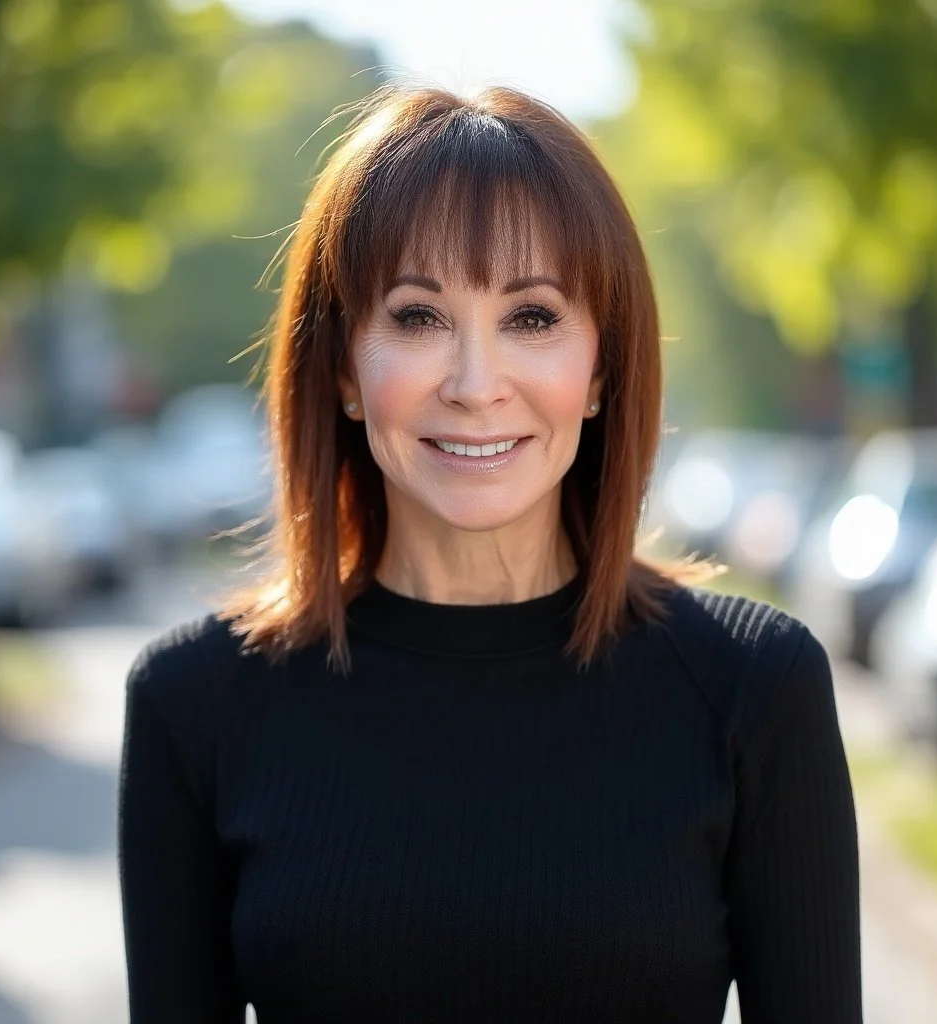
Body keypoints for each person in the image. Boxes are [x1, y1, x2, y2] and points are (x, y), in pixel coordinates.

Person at [117, 83, 862, 1024]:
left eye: (533, 317)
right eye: (420, 317)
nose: (476, 386)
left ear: (600, 369)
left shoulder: (754, 689)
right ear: (346, 367)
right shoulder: (195, 705)